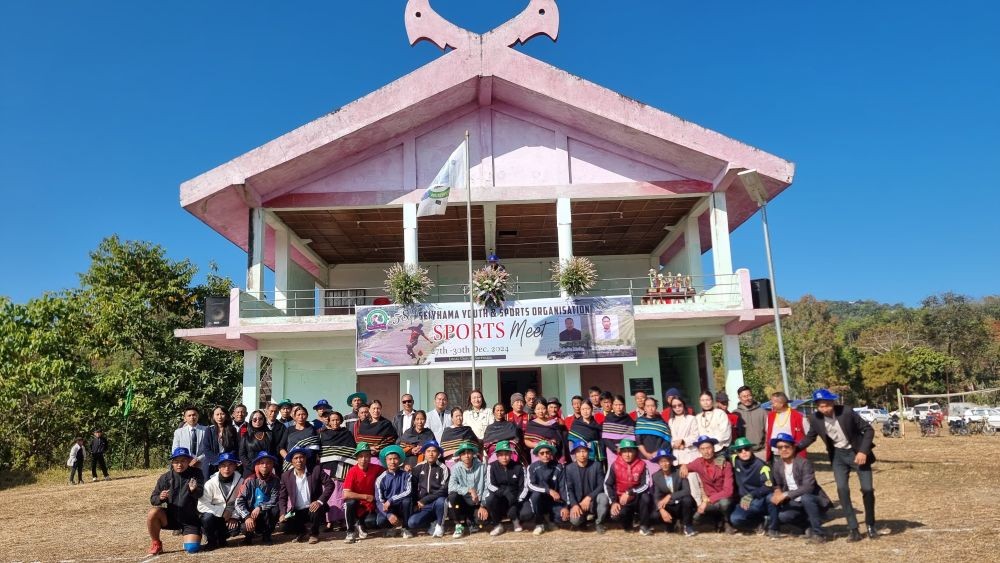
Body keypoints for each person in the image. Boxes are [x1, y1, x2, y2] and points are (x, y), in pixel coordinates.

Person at [796, 389, 878, 542]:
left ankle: (870, 525)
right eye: (820, 406)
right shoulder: (814, 419)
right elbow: (810, 437)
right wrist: (794, 449)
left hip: (857, 453)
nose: (824, 409)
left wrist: (863, 451)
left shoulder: (846, 412)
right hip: (838, 457)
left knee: (867, 489)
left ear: (833, 403)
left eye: (827, 405)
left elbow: (868, 430)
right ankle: (853, 529)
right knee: (842, 489)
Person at [768, 432, 833, 542]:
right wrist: (778, 492)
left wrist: (786, 494)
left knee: (806, 498)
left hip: (813, 500)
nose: (783, 449)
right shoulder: (777, 465)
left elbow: (808, 487)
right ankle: (807, 527)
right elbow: (776, 484)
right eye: (780, 447)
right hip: (794, 501)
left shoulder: (804, 463)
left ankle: (819, 534)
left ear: (793, 447)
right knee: (783, 516)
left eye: (786, 446)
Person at [146, 447, 205, 555]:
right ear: (172, 463)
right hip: (171, 517)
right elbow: (153, 499)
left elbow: (201, 494)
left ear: (189, 461)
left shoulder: (197, 473)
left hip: (190, 519)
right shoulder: (165, 477)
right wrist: (160, 497)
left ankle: (192, 536)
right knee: (152, 513)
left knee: (192, 549)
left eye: (183, 461)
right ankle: (156, 543)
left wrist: (194, 490)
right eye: (176, 462)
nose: (179, 464)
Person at [278, 448, 334, 544]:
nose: (299, 460)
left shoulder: (316, 469)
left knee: (315, 508)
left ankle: (314, 534)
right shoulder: (286, 476)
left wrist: (319, 501)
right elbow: (282, 497)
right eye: (296, 458)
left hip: (313, 507)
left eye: (301, 457)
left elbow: (330, 484)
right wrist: (283, 513)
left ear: (306, 458)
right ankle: (302, 532)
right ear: (291, 461)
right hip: (297, 511)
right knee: (283, 525)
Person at [599, 439, 652, 535]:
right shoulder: (614, 465)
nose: (627, 454)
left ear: (635, 452)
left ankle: (644, 526)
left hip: (637, 497)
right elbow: (607, 484)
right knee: (617, 515)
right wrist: (613, 502)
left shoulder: (642, 465)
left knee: (646, 498)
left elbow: (646, 485)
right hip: (621, 499)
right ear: (620, 452)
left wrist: (630, 492)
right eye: (624, 451)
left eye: (630, 451)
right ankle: (628, 525)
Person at [687, 435, 734, 533]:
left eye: (708, 448)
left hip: (722, 499)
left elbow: (728, 491)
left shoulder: (726, 464)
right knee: (695, 519)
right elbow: (687, 467)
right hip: (710, 502)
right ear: (699, 451)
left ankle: (726, 522)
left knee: (724, 503)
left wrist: (707, 501)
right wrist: (683, 467)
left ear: (713, 448)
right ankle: (715, 521)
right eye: (702, 449)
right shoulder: (698, 462)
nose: (706, 451)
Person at [318, 410, 357, 530]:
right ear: (328, 421)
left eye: (337, 420)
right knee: (328, 495)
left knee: (340, 495)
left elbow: (351, 451)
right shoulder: (322, 434)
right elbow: (321, 451)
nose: (335, 422)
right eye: (332, 420)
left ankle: (342, 520)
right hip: (327, 468)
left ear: (341, 421)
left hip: (342, 467)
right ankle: (329, 522)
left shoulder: (347, 433)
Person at [197, 451, 243, 550]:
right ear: (218, 467)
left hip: (231, 514)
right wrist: (222, 512)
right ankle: (211, 541)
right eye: (223, 465)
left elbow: (243, 502)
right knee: (206, 518)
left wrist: (234, 516)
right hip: (215, 516)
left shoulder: (241, 482)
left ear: (235, 466)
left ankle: (222, 538)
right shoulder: (210, 483)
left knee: (235, 529)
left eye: (230, 465)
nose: (227, 468)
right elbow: (201, 505)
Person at [234, 451, 281, 546]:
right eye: (262, 463)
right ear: (257, 465)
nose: (265, 466)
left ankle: (267, 535)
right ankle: (248, 537)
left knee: (276, 509)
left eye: (268, 463)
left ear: (272, 465)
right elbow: (239, 501)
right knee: (244, 527)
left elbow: (275, 499)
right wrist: (247, 516)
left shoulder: (276, 480)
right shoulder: (249, 480)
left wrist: (260, 507)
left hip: (265, 514)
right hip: (250, 515)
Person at [479, 440, 525, 536]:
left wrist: (518, 499)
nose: (504, 457)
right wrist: (503, 492)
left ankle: (515, 520)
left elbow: (524, 486)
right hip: (499, 496)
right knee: (490, 499)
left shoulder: (518, 467)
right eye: (501, 454)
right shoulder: (491, 466)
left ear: (511, 454)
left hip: (515, 498)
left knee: (526, 513)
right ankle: (498, 525)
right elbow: (490, 485)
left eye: (507, 454)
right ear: (497, 455)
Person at [520, 440, 565, 535]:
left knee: (563, 518)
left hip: (553, 500)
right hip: (538, 499)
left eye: (548, 452)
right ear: (537, 454)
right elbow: (530, 485)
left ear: (551, 453)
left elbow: (563, 487)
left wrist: (566, 506)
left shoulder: (559, 467)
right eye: (542, 453)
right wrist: (548, 491)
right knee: (526, 512)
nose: (545, 455)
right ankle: (539, 523)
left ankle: (549, 519)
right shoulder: (531, 467)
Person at [342, 442, 385, 544]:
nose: (364, 459)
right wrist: (365, 496)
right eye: (361, 456)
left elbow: (388, 472)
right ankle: (350, 531)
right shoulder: (352, 471)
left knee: (372, 522)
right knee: (349, 503)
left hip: (369, 506)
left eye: (366, 456)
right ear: (356, 458)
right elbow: (346, 494)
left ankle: (360, 524)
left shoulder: (376, 468)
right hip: (357, 504)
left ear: (370, 457)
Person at [729, 437, 772, 533]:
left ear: (751, 449)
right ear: (736, 452)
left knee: (756, 507)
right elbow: (725, 454)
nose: (743, 452)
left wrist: (751, 495)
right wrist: (720, 458)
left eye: (746, 449)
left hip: (758, 498)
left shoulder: (762, 466)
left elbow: (768, 486)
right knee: (735, 519)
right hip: (743, 499)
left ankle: (768, 517)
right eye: (740, 450)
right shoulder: (734, 460)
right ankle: (759, 523)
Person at [649, 449, 696, 537]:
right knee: (655, 514)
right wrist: (661, 510)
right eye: (662, 462)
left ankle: (687, 525)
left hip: (682, 504)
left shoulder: (679, 472)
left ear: (670, 461)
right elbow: (656, 496)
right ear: (658, 463)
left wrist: (670, 496)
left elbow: (687, 491)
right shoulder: (656, 476)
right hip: (669, 506)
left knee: (687, 499)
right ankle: (670, 524)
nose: (664, 464)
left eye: (666, 461)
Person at [408, 440, 450, 537]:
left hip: (435, 502)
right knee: (412, 523)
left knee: (441, 501)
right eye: (428, 451)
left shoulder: (443, 468)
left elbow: (444, 489)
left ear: (438, 454)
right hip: (423, 505)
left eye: (434, 451)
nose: (431, 453)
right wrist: (416, 502)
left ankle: (440, 525)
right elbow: (412, 487)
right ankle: (432, 522)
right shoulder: (418, 467)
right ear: (424, 453)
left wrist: (425, 500)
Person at [562, 440, 605, 532]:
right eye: (579, 451)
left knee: (603, 498)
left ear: (588, 452)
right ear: (575, 454)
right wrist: (574, 505)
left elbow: (601, 485)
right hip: (578, 503)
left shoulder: (596, 465)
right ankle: (582, 521)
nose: (582, 454)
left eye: (584, 451)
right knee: (575, 521)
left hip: (593, 501)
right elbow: (569, 489)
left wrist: (589, 497)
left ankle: (599, 522)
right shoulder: (569, 468)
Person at [373, 445, 414, 538]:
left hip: (402, 507)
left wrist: (391, 500)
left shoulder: (406, 474)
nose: (392, 462)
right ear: (385, 461)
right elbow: (379, 501)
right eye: (389, 459)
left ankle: (406, 528)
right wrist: (388, 515)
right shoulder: (380, 479)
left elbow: (408, 491)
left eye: (395, 459)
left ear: (399, 460)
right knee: (380, 521)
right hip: (389, 508)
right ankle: (391, 527)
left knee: (407, 501)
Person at [448, 441, 486, 538]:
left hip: (477, 502)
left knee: (481, 520)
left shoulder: (482, 467)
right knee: (452, 496)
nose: (467, 456)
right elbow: (451, 486)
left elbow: (487, 486)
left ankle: (471, 521)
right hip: (463, 501)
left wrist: (483, 505)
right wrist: (469, 490)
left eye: (469, 452)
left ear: (473, 454)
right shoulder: (455, 468)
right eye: (463, 453)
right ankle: (458, 525)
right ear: (460, 456)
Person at [765, 392, 808, 461]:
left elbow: (808, 434)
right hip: (776, 455)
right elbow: (767, 433)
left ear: (782, 403)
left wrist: (798, 447)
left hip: (793, 454)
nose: (771, 405)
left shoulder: (798, 416)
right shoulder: (770, 416)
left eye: (773, 403)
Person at [635, 397, 671, 476]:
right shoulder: (640, 422)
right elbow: (638, 440)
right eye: (648, 406)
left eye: (652, 406)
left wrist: (656, 453)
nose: (650, 408)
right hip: (643, 458)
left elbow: (667, 441)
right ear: (644, 408)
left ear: (656, 407)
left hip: (658, 458)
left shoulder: (662, 423)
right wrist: (646, 454)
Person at [171, 406, 210, 479]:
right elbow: (175, 450)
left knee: (202, 486)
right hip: (185, 464)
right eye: (189, 415)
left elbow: (209, 449)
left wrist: (198, 459)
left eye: (194, 415)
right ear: (185, 418)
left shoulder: (206, 430)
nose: (192, 417)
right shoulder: (178, 432)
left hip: (202, 464)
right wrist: (187, 460)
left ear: (198, 416)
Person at [524, 399, 564, 464]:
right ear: (534, 410)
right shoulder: (531, 424)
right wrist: (537, 445)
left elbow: (558, 439)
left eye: (543, 408)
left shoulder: (553, 423)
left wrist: (552, 443)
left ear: (546, 409)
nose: (541, 411)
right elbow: (526, 441)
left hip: (550, 454)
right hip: (536, 454)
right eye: (538, 409)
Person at [600, 395, 635, 467]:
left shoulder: (628, 418)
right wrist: (615, 448)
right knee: (614, 471)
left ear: (624, 405)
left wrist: (625, 448)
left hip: (626, 451)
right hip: (612, 451)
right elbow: (605, 437)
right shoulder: (608, 418)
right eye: (616, 405)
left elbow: (632, 436)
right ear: (612, 406)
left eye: (620, 404)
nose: (618, 407)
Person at [206, 406, 240, 477]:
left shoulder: (232, 430)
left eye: (222, 414)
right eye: (217, 414)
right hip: (214, 464)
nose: (220, 417)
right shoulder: (209, 430)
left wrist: (227, 459)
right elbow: (206, 449)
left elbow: (236, 447)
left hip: (228, 465)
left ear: (226, 415)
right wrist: (217, 460)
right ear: (213, 416)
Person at [735, 386, 767, 460]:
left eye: (749, 395)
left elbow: (768, 431)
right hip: (744, 453)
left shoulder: (762, 412)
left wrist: (766, 448)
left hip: (761, 452)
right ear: (739, 398)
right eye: (744, 396)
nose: (747, 398)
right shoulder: (736, 413)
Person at [568, 401, 604, 466]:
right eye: (583, 409)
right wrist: (575, 459)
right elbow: (571, 442)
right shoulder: (576, 424)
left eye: (587, 409)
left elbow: (601, 441)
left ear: (592, 409)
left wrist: (594, 444)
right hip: (579, 458)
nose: (585, 411)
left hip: (594, 458)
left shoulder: (596, 425)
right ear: (580, 410)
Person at [667, 397, 700, 465]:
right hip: (676, 456)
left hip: (689, 455)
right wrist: (674, 444)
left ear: (683, 405)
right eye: (674, 406)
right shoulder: (671, 421)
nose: (677, 408)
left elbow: (696, 436)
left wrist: (683, 441)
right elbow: (670, 437)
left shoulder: (691, 418)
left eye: (679, 405)